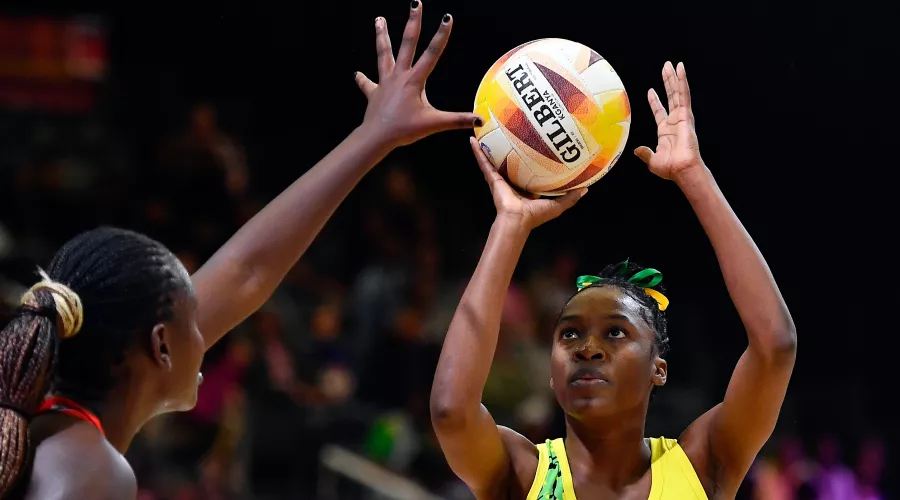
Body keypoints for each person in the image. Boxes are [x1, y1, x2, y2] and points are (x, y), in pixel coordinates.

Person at [0, 3, 481, 498]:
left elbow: (245, 272)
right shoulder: (91, 472)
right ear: (160, 347)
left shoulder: (51, 425)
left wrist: (374, 136)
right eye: (194, 321)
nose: (210, 330)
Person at [431, 62, 797, 499]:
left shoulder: (701, 464)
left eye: (616, 332)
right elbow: (451, 412)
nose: (587, 348)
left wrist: (692, 174)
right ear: (551, 373)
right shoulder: (523, 472)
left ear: (658, 369)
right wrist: (510, 223)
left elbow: (775, 346)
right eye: (569, 334)